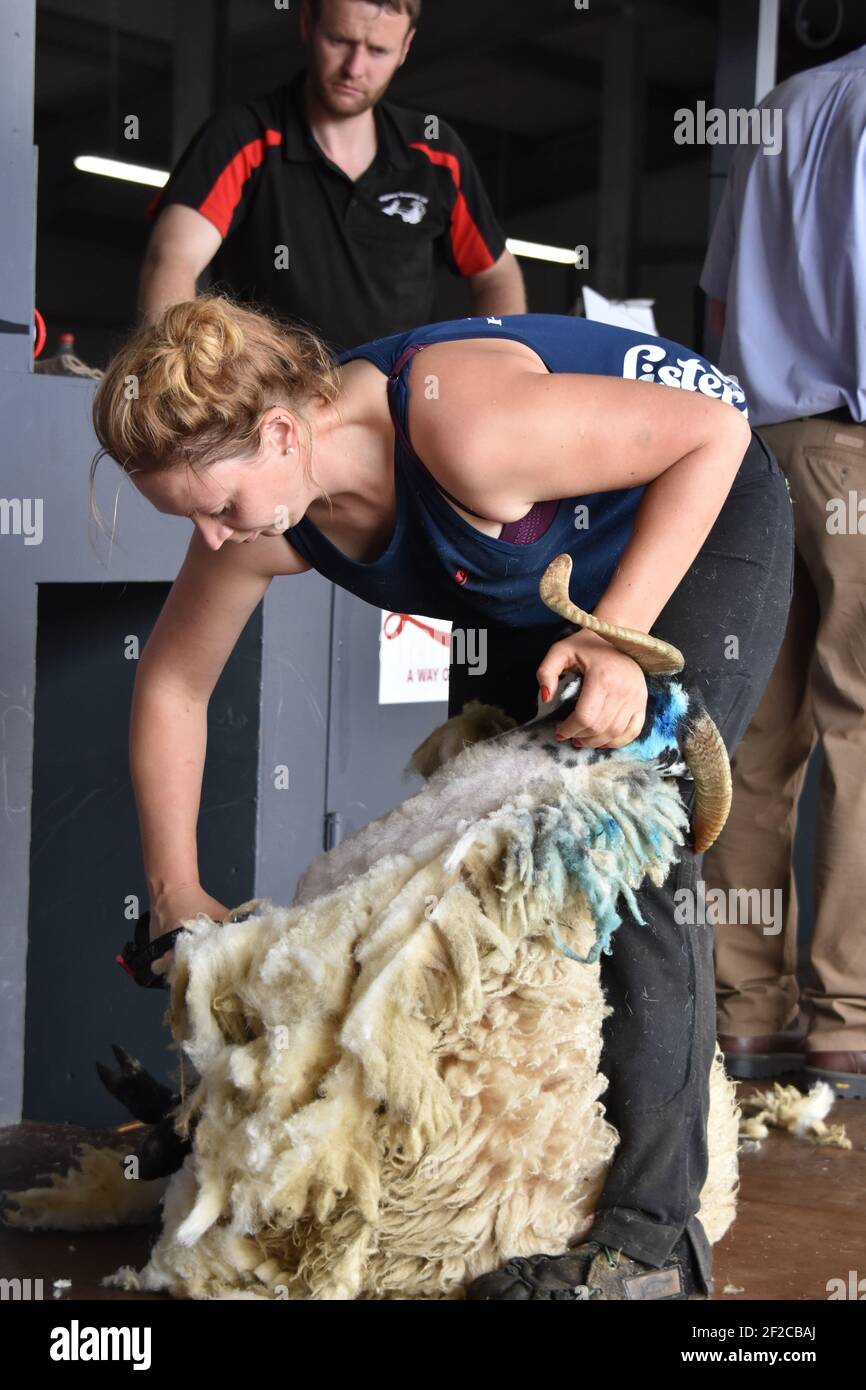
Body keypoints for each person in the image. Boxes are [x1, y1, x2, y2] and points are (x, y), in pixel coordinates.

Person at [89, 292, 793, 1299]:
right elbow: (172, 683)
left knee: (614, 819)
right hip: (532, 563)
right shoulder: (268, 518)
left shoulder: (461, 430)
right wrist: (174, 890)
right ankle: (274, 1134)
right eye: (188, 515)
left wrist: (615, 640)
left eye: (217, 505)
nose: (207, 539)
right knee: (464, 824)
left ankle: (651, 1245)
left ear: (283, 432)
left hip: (700, 503)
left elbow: (712, 433)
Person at [699, 43, 866, 1096]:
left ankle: (744, 1015)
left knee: (755, 737)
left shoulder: (787, 102)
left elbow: (716, 304)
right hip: (854, 445)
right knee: (858, 725)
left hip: (747, 443)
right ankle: (847, 1017)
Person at [139, 0, 525, 347]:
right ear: (308, 22)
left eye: (377, 51)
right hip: (269, 401)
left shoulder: (435, 153)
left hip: (392, 406)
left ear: (405, 48)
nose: (354, 69)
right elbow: (172, 258)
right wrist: (169, 374)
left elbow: (496, 273)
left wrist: (498, 361)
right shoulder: (245, 136)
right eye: (340, 41)